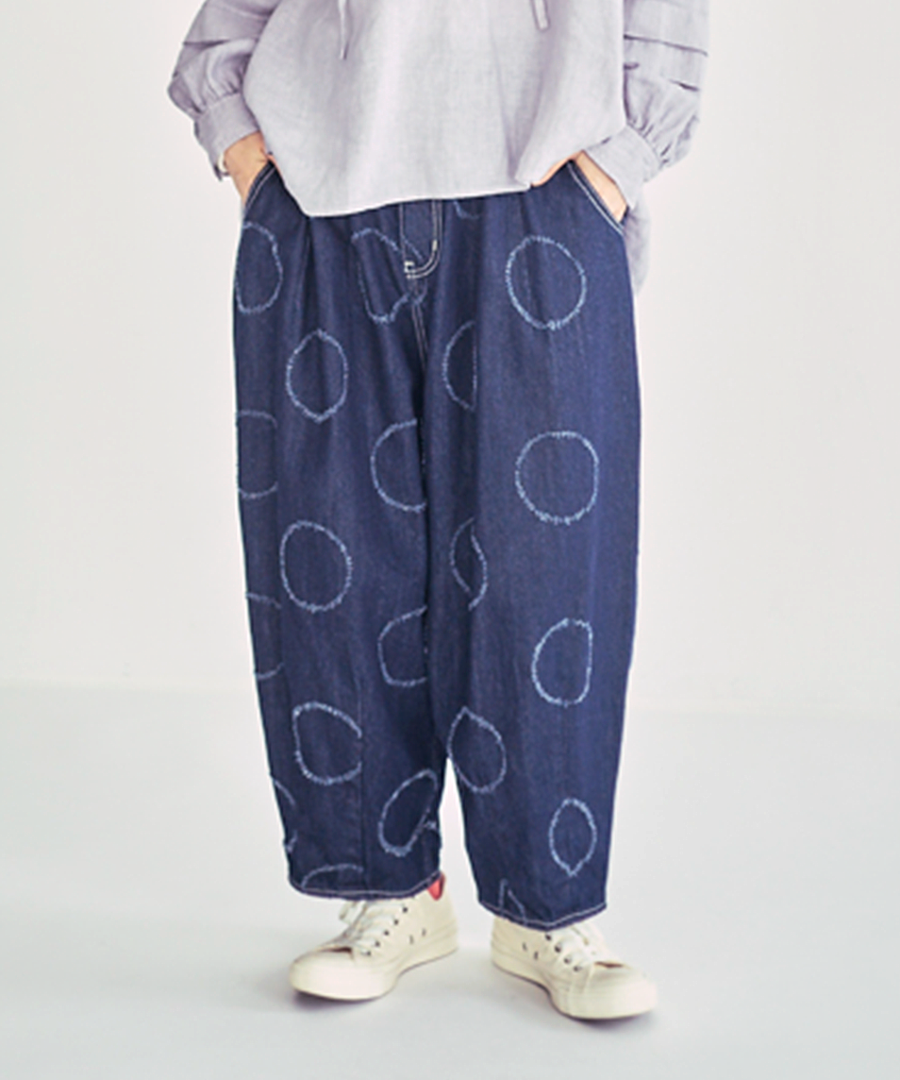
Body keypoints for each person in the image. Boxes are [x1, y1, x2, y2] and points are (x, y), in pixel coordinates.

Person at [169, 0, 708, 1021]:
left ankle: (546, 906)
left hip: (540, 195)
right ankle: (390, 893)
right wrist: (247, 153)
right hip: (322, 201)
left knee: (544, 579)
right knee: (332, 563)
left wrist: (619, 162)